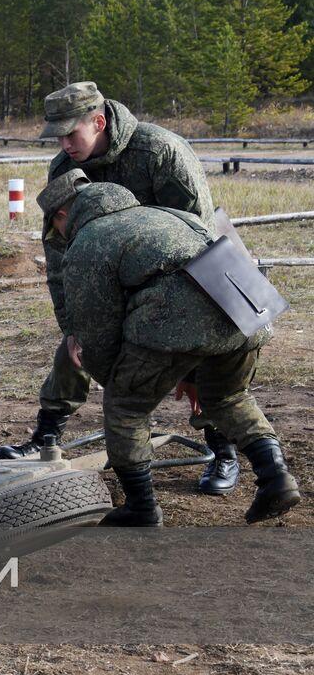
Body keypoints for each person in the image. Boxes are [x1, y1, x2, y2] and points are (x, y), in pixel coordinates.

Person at [0, 81, 240, 496]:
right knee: (74, 350)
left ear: (99, 121)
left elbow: (200, 237)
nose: (64, 145)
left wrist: (196, 350)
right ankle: (45, 437)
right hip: (109, 277)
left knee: (206, 366)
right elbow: (61, 257)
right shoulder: (65, 169)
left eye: (71, 134)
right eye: (56, 135)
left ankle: (222, 450)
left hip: (180, 280)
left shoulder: (161, 152)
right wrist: (73, 326)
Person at [38, 170, 300, 526]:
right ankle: (277, 478)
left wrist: (113, 378)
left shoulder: (91, 240)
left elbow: (97, 329)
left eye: (56, 229)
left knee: (127, 407)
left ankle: (141, 508)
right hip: (248, 311)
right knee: (229, 397)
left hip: (177, 324)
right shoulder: (169, 215)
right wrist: (189, 370)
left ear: (63, 216)